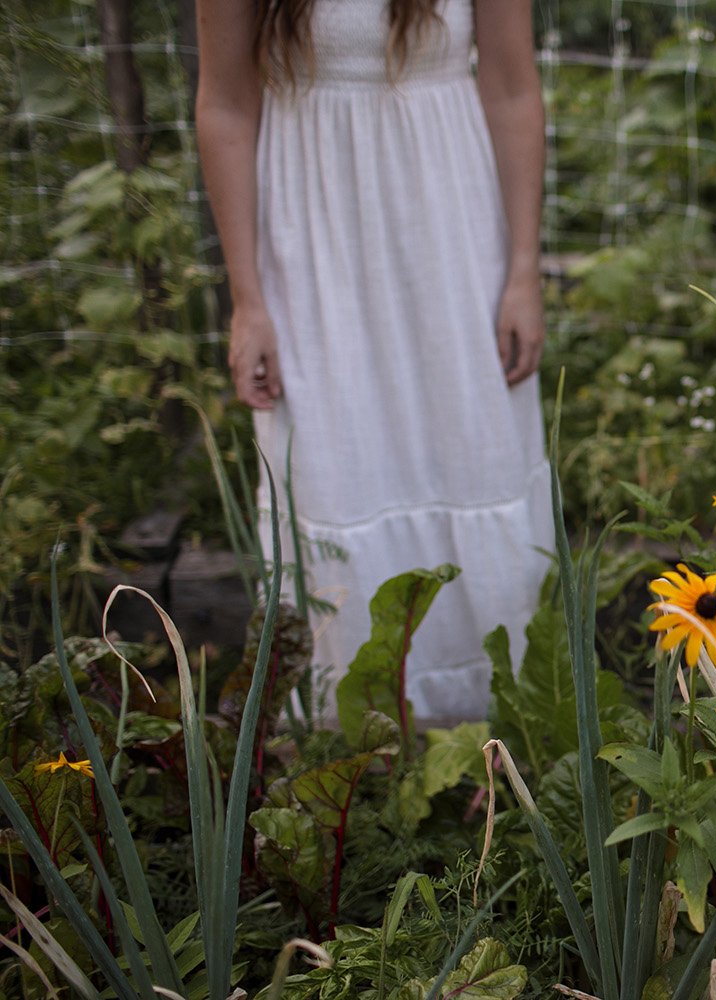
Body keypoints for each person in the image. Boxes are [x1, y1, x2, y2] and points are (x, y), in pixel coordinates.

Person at [196, 0, 553, 724]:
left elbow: (513, 87)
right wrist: (248, 301)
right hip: (313, 253)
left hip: (453, 241)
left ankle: (503, 737)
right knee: (334, 471)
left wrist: (523, 271)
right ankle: (352, 742)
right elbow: (226, 107)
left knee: (475, 457)